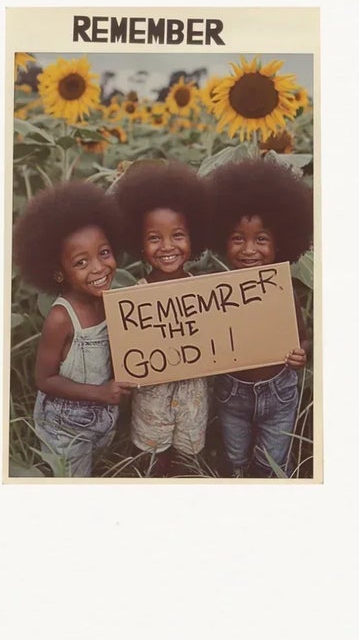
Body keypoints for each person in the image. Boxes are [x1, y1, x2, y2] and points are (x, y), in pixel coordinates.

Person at [12, 181, 133, 477]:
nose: (98, 268)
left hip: (104, 418)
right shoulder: (60, 318)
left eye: (104, 253)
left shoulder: (111, 301)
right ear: (58, 272)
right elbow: (44, 379)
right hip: (65, 429)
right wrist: (101, 393)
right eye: (81, 262)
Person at [207, 158, 313, 477]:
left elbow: (301, 337)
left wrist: (301, 353)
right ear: (221, 239)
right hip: (232, 394)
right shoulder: (216, 292)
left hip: (279, 393)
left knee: (273, 462)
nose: (249, 249)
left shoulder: (283, 290)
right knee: (235, 459)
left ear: (280, 241)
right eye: (238, 238)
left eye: (261, 239)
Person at [113, 160, 211, 476]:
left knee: (188, 463)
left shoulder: (208, 293)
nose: (167, 247)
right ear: (138, 244)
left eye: (178, 235)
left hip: (193, 401)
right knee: (151, 464)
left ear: (194, 237)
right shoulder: (133, 300)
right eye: (154, 238)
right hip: (150, 405)